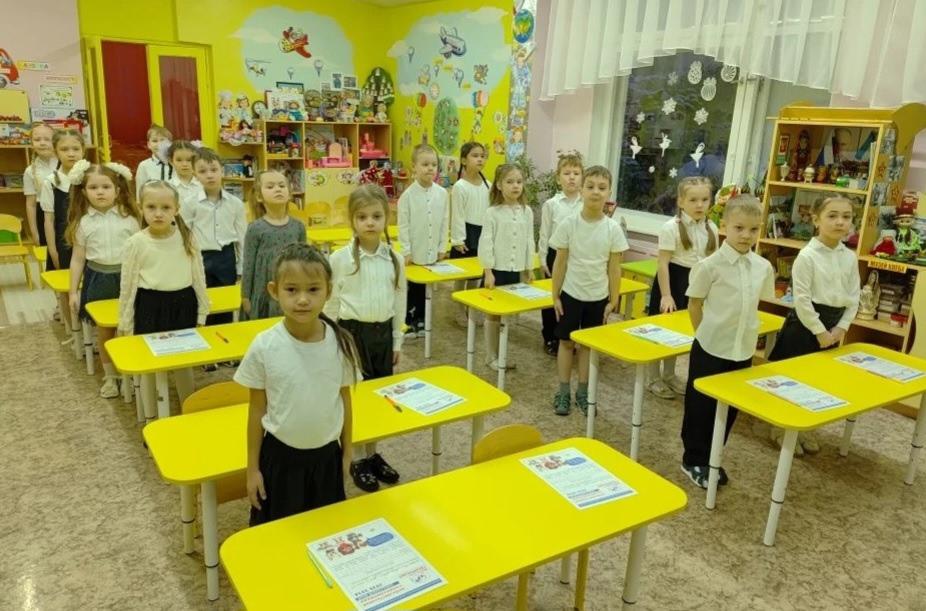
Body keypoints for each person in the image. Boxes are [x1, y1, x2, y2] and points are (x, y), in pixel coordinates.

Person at [236, 242, 361, 525]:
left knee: (324, 530)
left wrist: (347, 452)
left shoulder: (341, 342)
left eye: (313, 289)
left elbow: (344, 399)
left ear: (328, 291)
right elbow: (256, 410)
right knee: (279, 533)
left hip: (327, 457)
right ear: (274, 291)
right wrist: (252, 469)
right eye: (291, 290)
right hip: (280, 459)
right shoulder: (265, 346)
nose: (302, 299)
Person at [680, 195, 774, 489]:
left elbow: (756, 304)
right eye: (739, 228)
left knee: (730, 407)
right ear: (724, 226)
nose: (746, 235)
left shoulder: (762, 267)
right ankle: (693, 459)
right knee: (701, 407)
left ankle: (713, 457)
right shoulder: (709, 266)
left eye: (753, 229)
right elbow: (694, 305)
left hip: (742, 349)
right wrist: (704, 334)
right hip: (710, 347)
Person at [325, 184, 406, 493]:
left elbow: (399, 302)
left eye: (376, 216)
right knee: (354, 399)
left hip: (382, 335)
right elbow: (332, 302)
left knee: (378, 397)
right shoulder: (340, 259)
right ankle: (356, 457)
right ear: (352, 220)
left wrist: (396, 341)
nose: (369, 222)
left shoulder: (395, 259)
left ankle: (372, 453)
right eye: (362, 217)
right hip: (351, 334)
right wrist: (330, 341)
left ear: (386, 218)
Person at [768, 196, 859, 455]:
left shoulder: (849, 257)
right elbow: (802, 300)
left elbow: (854, 296)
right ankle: (780, 428)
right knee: (792, 380)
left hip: (834, 326)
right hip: (806, 326)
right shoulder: (807, 256)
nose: (840, 222)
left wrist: (841, 328)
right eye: (832, 216)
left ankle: (805, 427)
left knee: (816, 381)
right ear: (816, 220)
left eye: (846, 217)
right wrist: (820, 332)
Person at [118, 181, 210, 420]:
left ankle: (188, 410)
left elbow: (198, 276)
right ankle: (150, 417)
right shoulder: (136, 242)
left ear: (176, 209)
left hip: (183, 304)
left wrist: (202, 311)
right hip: (150, 305)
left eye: (166, 207)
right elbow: (127, 286)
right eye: (151, 207)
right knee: (149, 364)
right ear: (141, 208)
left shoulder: (187, 237)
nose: (158, 213)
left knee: (183, 362)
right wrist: (125, 322)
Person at [550, 166, 628, 415]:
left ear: (609, 193)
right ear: (581, 190)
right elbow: (560, 263)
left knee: (588, 346)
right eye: (590, 186)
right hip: (571, 294)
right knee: (566, 343)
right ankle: (563, 391)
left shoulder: (612, 229)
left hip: (598, 298)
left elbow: (614, 268)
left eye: (602, 188)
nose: (596, 192)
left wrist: (613, 300)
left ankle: (583, 392)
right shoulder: (568, 224)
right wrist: (555, 295)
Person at [66, 162, 141, 398]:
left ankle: (131, 371)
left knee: (129, 327)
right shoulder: (83, 223)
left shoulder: (132, 219)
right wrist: (73, 292)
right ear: (84, 191)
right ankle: (111, 376)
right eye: (93, 187)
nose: (100, 192)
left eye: (106, 187)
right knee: (105, 331)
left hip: (128, 279)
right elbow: (78, 259)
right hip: (98, 279)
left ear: (117, 190)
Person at [647, 176, 718, 399]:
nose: (699, 205)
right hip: (672, 282)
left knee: (678, 333)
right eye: (693, 200)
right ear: (681, 201)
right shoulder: (671, 228)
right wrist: (666, 295)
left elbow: (713, 264)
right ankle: (652, 378)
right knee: (661, 332)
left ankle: (669, 375)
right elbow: (663, 264)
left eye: (705, 200)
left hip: (695, 284)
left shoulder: (712, 228)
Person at [183, 147, 246, 338]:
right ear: (195, 174)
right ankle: (206, 342)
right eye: (202, 171)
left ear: (222, 171)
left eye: (214, 170)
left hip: (226, 257)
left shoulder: (235, 203)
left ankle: (224, 339)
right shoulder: (190, 203)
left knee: (226, 304)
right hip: (200, 257)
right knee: (203, 302)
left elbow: (242, 237)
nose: (209, 175)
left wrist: (241, 267)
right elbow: (184, 235)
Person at [478, 163, 536, 371]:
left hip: (515, 270)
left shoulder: (526, 212)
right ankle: (490, 356)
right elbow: (486, 242)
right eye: (510, 182)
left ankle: (501, 355)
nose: (515, 186)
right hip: (497, 271)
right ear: (499, 185)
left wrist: (529, 267)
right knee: (493, 314)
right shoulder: (492, 212)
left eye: (519, 182)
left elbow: (529, 240)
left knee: (507, 314)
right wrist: (488, 271)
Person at [398, 143, 450, 336]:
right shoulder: (407, 196)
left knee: (427, 288)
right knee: (413, 288)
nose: (430, 168)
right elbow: (403, 226)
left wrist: (442, 247)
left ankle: (422, 319)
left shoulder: (442, 194)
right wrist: (406, 251)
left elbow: (444, 221)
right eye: (425, 164)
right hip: (415, 251)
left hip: (433, 251)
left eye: (434, 165)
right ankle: (410, 321)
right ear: (414, 166)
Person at [240, 170, 307, 320]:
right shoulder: (255, 228)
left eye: (282, 186)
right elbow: (248, 264)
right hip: (262, 292)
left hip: (291, 289)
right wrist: (245, 297)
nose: (277, 189)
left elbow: (305, 262)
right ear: (259, 197)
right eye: (270, 187)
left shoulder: (298, 227)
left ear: (289, 194)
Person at [538, 152, 584, 356]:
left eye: (576, 173)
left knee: (571, 298)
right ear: (558, 178)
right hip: (555, 255)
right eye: (566, 173)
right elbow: (544, 233)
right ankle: (550, 336)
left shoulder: (585, 204)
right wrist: (542, 259)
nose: (571, 177)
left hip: (577, 257)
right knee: (552, 297)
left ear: (582, 177)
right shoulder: (552, 204)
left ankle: (567, 336)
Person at [39, 129, 85, 333]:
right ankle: (74, 331)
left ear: (83, 150)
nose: (71, 153)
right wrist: (52, 250)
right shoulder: (51, 181)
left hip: (89, 241)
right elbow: (48, 220)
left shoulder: (90, 177)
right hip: (63, 242)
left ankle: (90, 330)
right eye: (64, 149)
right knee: (67, 288)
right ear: (56, 152)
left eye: (75, 148)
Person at [450, 141, 491, 326]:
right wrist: (458, 239)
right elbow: (457, 214)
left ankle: (472, 308)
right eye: (475, 156)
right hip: (466, 233)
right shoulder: (460, 186)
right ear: (464, 160)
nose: (480, 159)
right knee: (461, 275)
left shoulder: (488, 185)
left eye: (482, 156)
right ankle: (459, 309)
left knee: (476, 275)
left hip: (482, 234)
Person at [23, 122, 56, 249]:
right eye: (37, 139)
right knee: (49, 252)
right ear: (32, 143)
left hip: (65, 212)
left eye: (47, 139)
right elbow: (30, 204)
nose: (42, 143)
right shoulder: (30, 171)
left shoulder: (64, 164)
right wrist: (34, 232)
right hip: (43, 215)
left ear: (55, 141)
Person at [134, 125, 173, 200]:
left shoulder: (175, 164)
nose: (159, 144)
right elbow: (140, 192)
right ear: (149, 144)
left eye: (162, 140)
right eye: (155, 141)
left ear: (170, 143)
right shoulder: (144, 165)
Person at [166, 140, 202, 212]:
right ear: (171, 161)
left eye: (189, 160)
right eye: (179, 160)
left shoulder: (203, 185)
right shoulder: (167, 187)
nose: (184, 164)